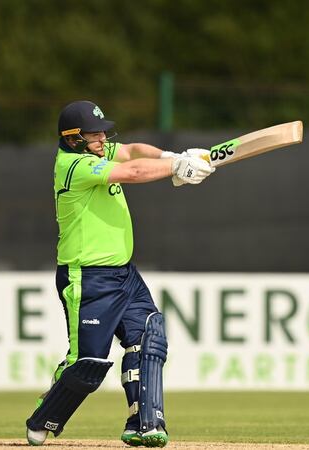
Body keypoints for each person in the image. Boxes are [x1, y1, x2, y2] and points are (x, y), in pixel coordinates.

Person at [25, 100, 214, 447]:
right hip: (88, 278)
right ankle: (45, 414)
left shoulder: (99, 151)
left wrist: (172, 155)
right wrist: (177, 167)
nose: (102, 137)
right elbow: (134, 172)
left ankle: (144, 422)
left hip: (124, 273)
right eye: (93, 133)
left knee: (149, 337)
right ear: (73, 138)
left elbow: (134, 151)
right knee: (88, 365)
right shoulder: (74, 165)